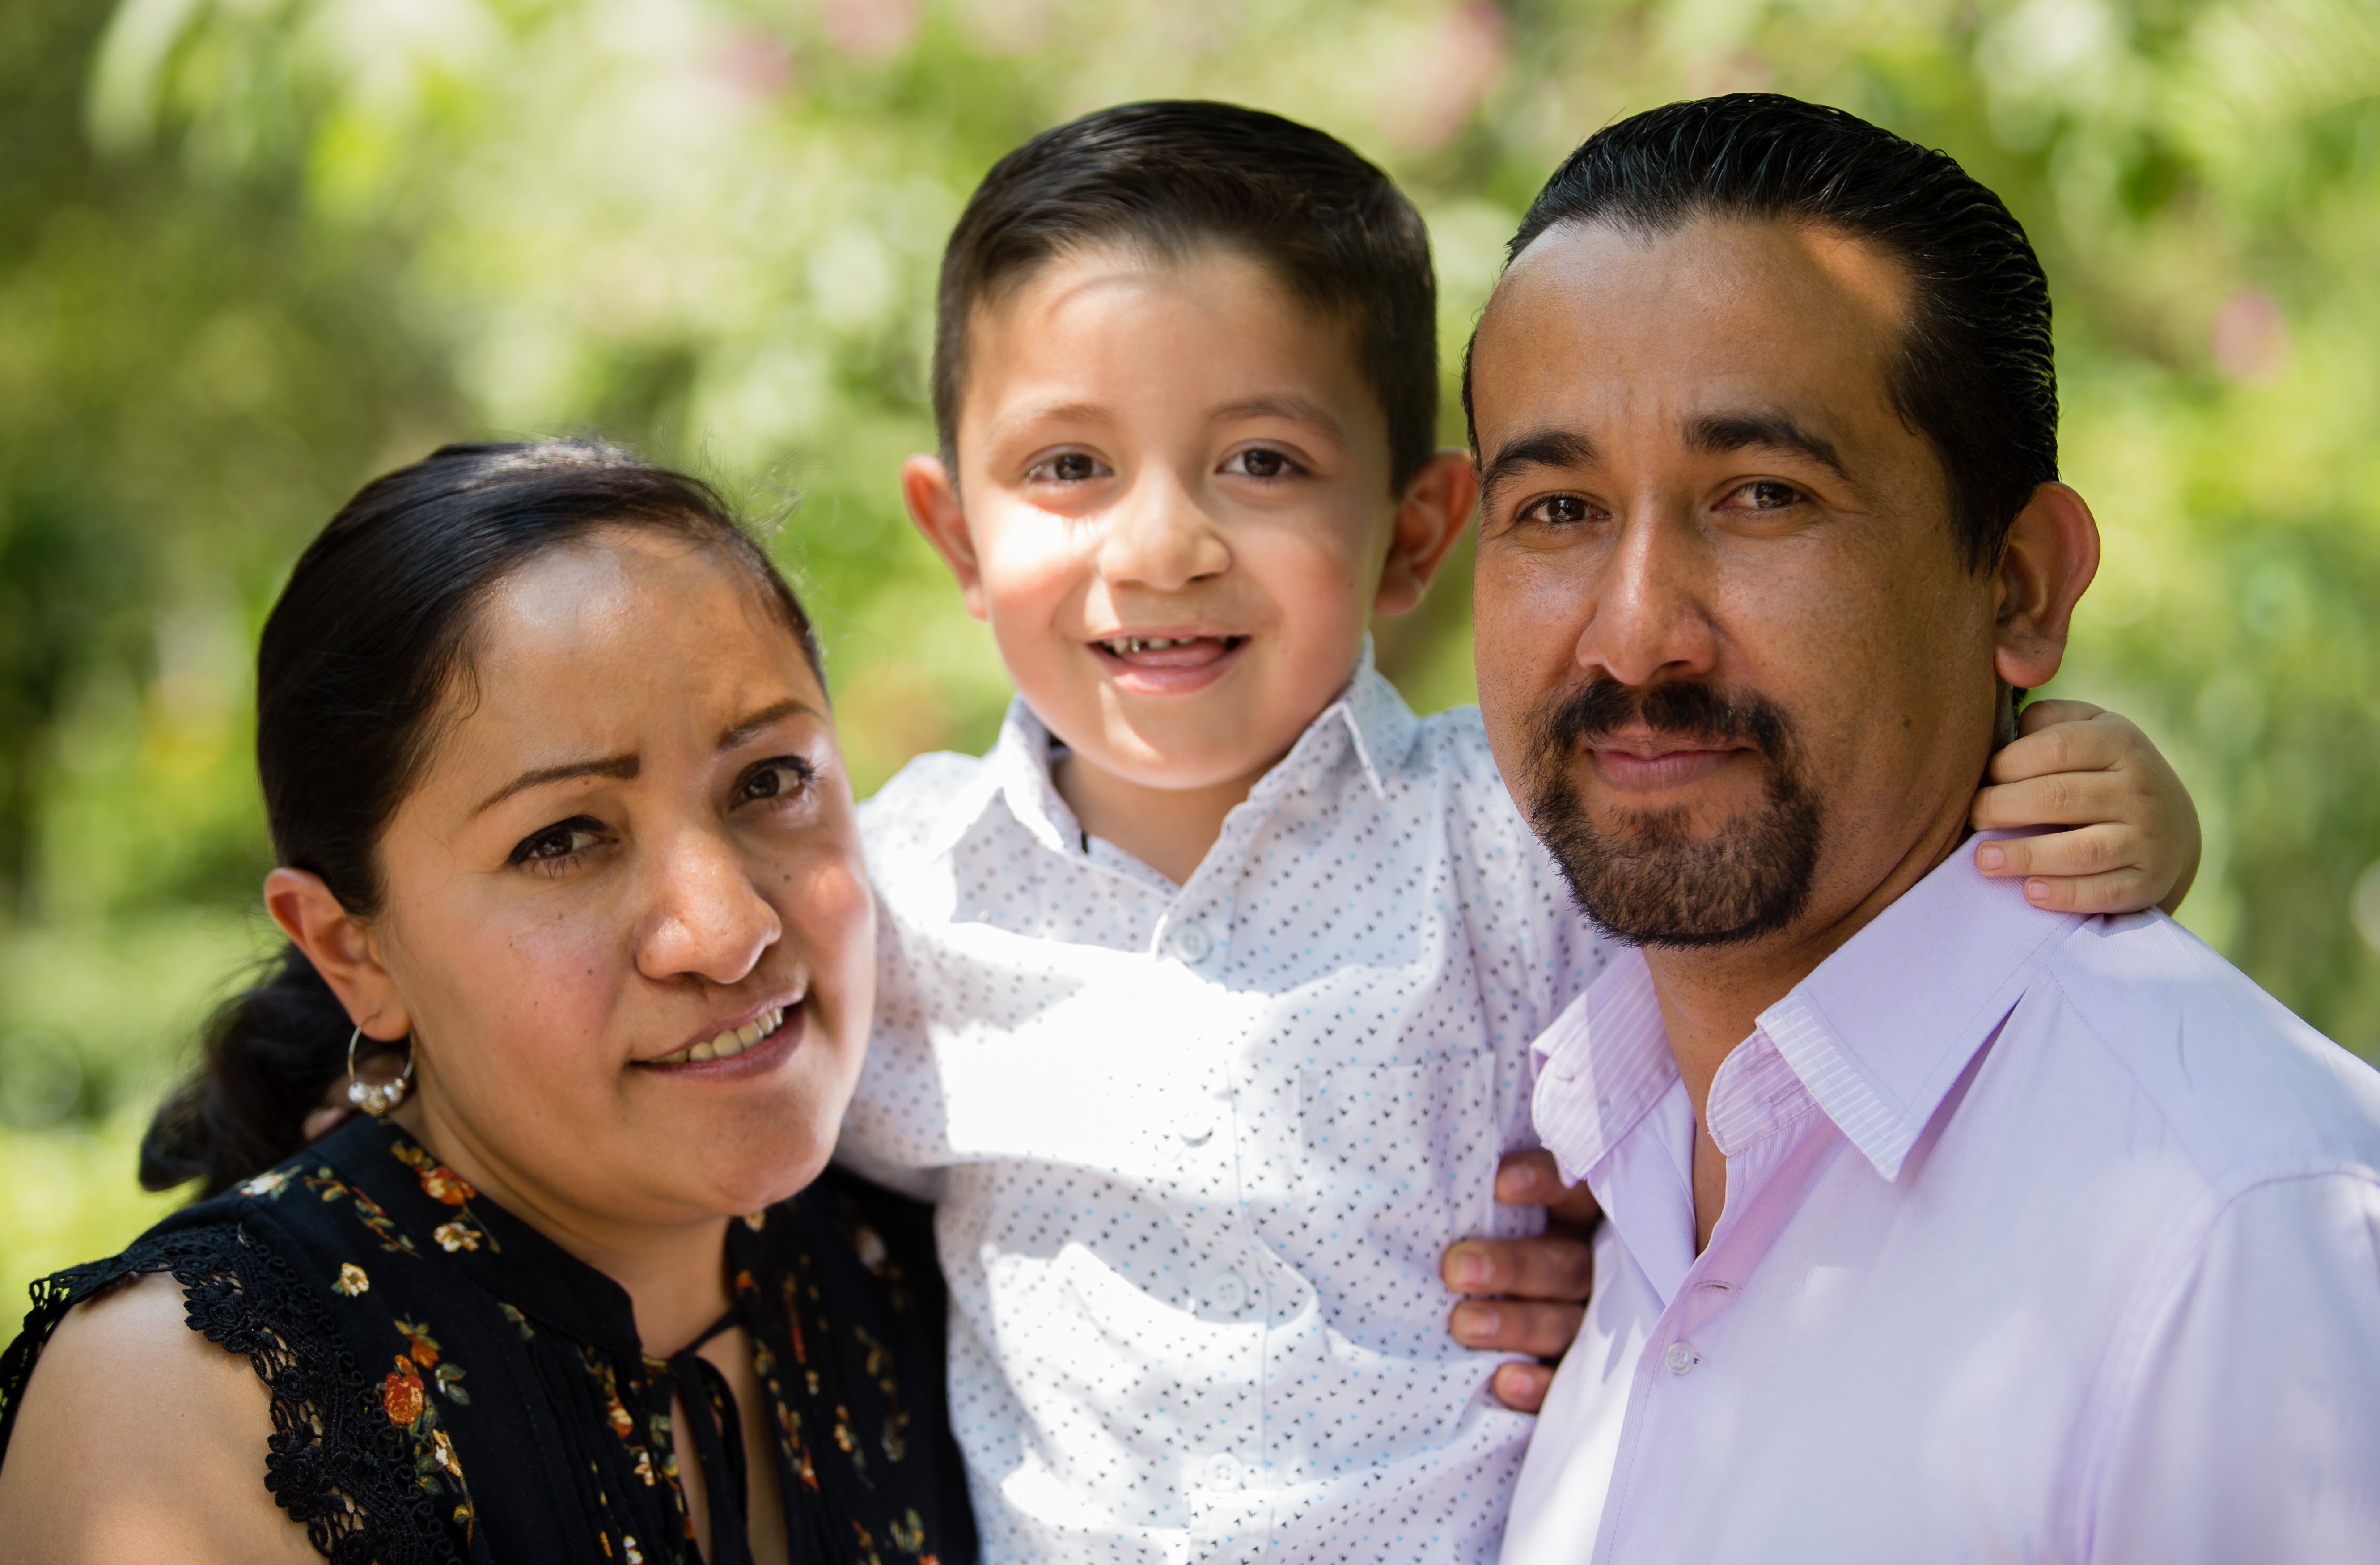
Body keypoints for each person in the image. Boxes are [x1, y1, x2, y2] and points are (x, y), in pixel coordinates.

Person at [839, 100, 2206, 1564]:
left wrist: (2092, 785)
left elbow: (1824, 986)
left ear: (1419, 531)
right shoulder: (895, 897)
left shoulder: (1514, 835)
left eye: (1262, 464)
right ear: (959, 536)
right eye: (1067, 467)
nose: (1162, 543)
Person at [1467, 93, 2380, 1563]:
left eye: (1762, 495)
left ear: (2018, 583)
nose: (1636, 634)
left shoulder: (2235, 1218)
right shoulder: (1577, 1169)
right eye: (1558, 507)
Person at [0, 443, 977, 1565]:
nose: (729, 932)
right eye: (564, 839)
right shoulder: (197, 1408)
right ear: (354, 952)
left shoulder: (952, 1254)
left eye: (771, 779)